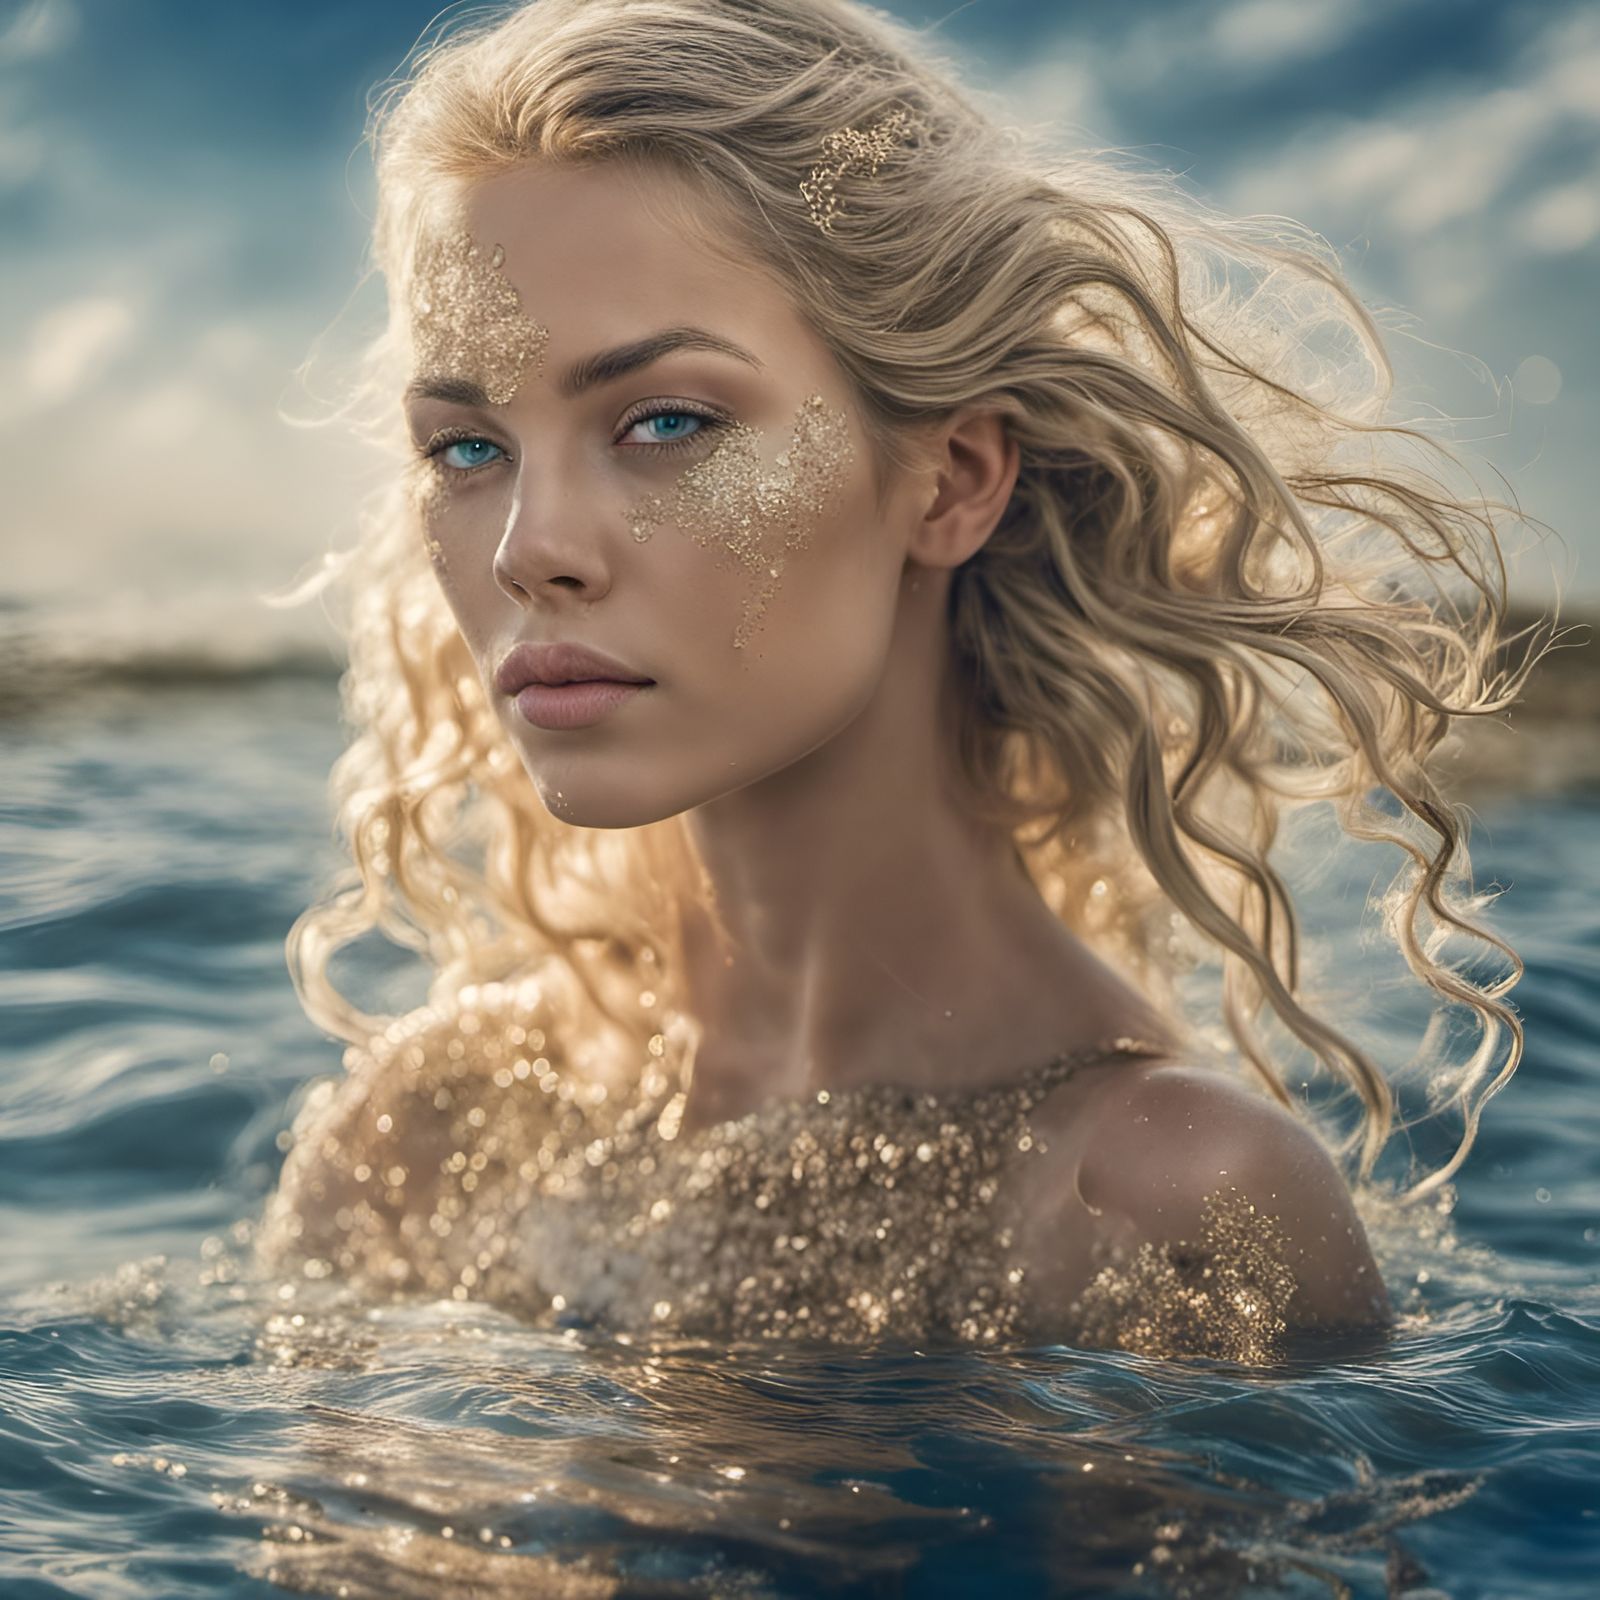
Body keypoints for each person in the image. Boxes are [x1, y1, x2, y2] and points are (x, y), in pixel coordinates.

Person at [259, 0, 1543, 1360]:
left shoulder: (1165, 1199)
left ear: (950, 480)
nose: (530, 551)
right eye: (467, 449)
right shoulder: (429, 1133)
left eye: (666, 421)